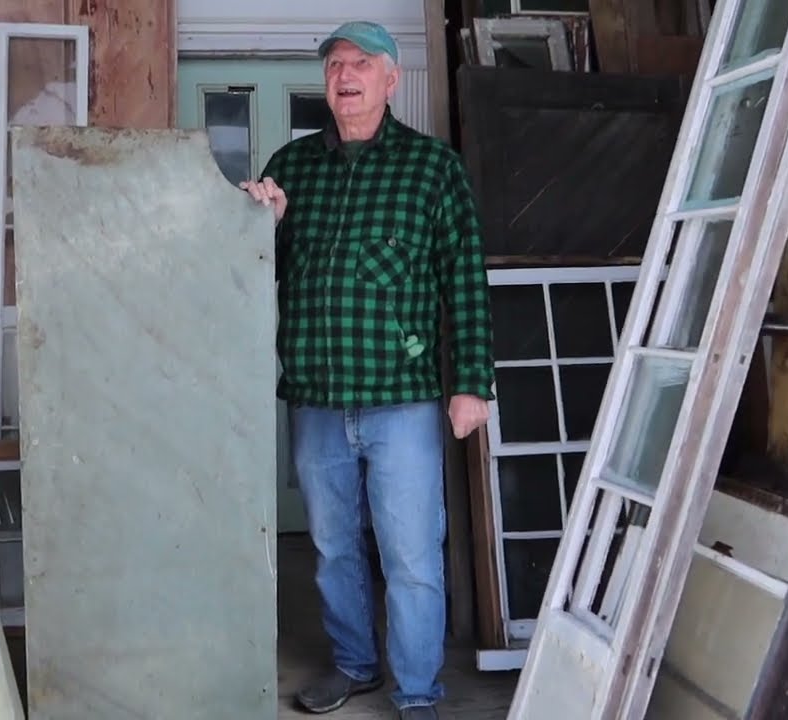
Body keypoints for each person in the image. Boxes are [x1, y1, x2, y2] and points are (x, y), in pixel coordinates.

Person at [241, 20, 495, 720]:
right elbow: (248, 275)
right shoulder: (291, 168)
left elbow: (464, 280)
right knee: (332, 550)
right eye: (333, 65)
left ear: (391, 79)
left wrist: (472, 383)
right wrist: (258, 223)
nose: (343, 75)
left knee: (411, 554)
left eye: (359, 63)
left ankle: (417, 694)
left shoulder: (432, 168)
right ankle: (355, 665)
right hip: (317, 399)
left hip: (402, 401)